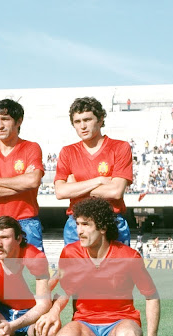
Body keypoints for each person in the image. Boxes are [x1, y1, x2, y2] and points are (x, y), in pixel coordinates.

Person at [43, 197, 160, 336]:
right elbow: (66, 288)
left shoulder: (129, 256)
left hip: (120, 322)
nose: (79, 230)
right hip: (85, 324)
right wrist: (54, 312)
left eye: (86, 225)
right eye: (77, 224)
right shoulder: (70, 253)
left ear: (103, 228)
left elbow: (152, 296)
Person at [54, 97, 133, 246]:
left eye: (87, 120)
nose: (82, 126)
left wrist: (76, 187)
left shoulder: (120, 148)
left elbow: (115, 191)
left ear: (100, 119)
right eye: (77, 122)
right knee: (76, 270)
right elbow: (60, 192)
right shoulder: (68, 152)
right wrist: (99, 180)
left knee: (116, 269)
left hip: (111, 220)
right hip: (76, 223)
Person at [0, 99, 44, 252]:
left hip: (26, 222)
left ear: (19, 121)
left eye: (5, 119)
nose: (0, 125)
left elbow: (33, 180)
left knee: (33, 274)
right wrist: (19, 186)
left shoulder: (31, 148)